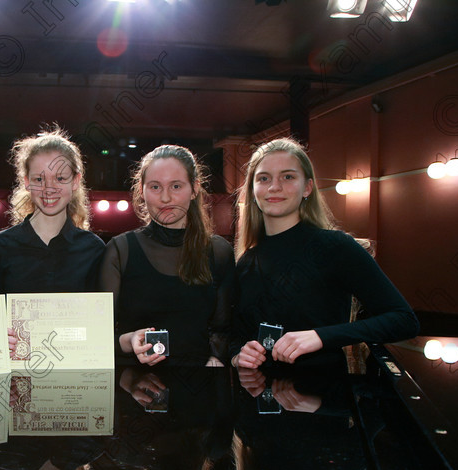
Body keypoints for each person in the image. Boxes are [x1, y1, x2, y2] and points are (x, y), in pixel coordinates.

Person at [231, 138, 419, 388]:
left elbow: (404, 320)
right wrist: (239, 353)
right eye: (264, 178)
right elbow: (236, 334)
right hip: (259, 408)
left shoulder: (335, 247)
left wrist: (321, 336)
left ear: (307, 188)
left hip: (322, 404)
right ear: (253, 191)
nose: (274, 187)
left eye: (287, 177)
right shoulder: (246, 261)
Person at [98, 145, 234, 367]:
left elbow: (225, 328)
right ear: (142, 190)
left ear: (194, 189)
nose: (165, 197)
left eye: (176, 186)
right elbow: (100, 338)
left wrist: (216, 358)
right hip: (135, 387)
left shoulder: (219, 252)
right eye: (155, 187)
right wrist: (128, 341)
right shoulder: (119, 251)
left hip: (199, 388)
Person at [0, 126, 105, 294]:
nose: (49, 188)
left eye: (60, 178)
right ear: (27, 182)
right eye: (39, 179)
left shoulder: (93, 249)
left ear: (75, 181)